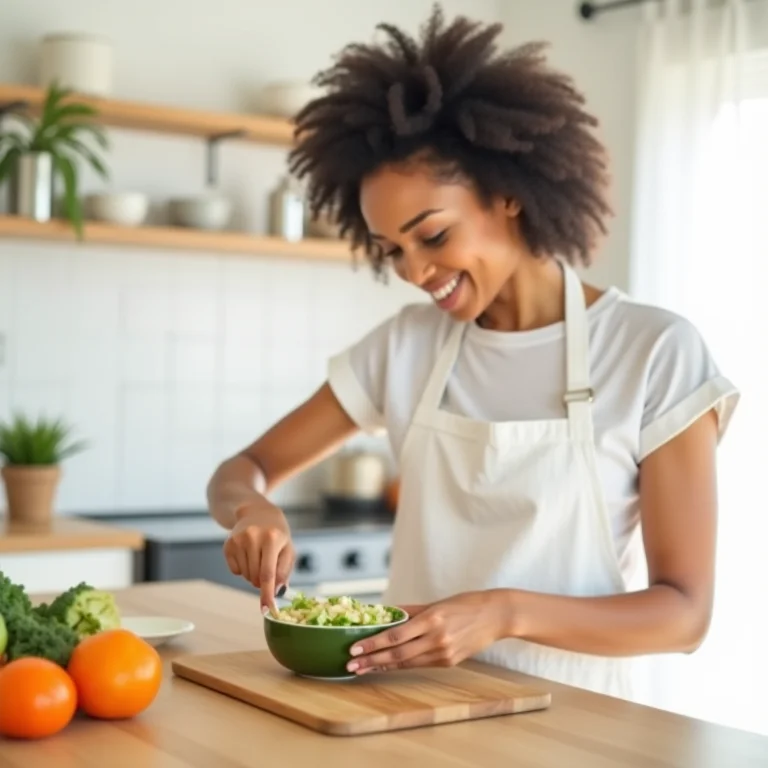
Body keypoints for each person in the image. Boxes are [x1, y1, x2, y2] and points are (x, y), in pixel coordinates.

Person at [206, 6, 740, 699]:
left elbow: (684, 614)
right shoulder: (406, 346)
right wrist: (253, 509)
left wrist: (502, 613)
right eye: (390, 249)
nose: (411, 271)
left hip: (578, 725)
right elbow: (239, 470)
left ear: (510, 195)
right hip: (412, 714)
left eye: (431, 236)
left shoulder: (653, 351)